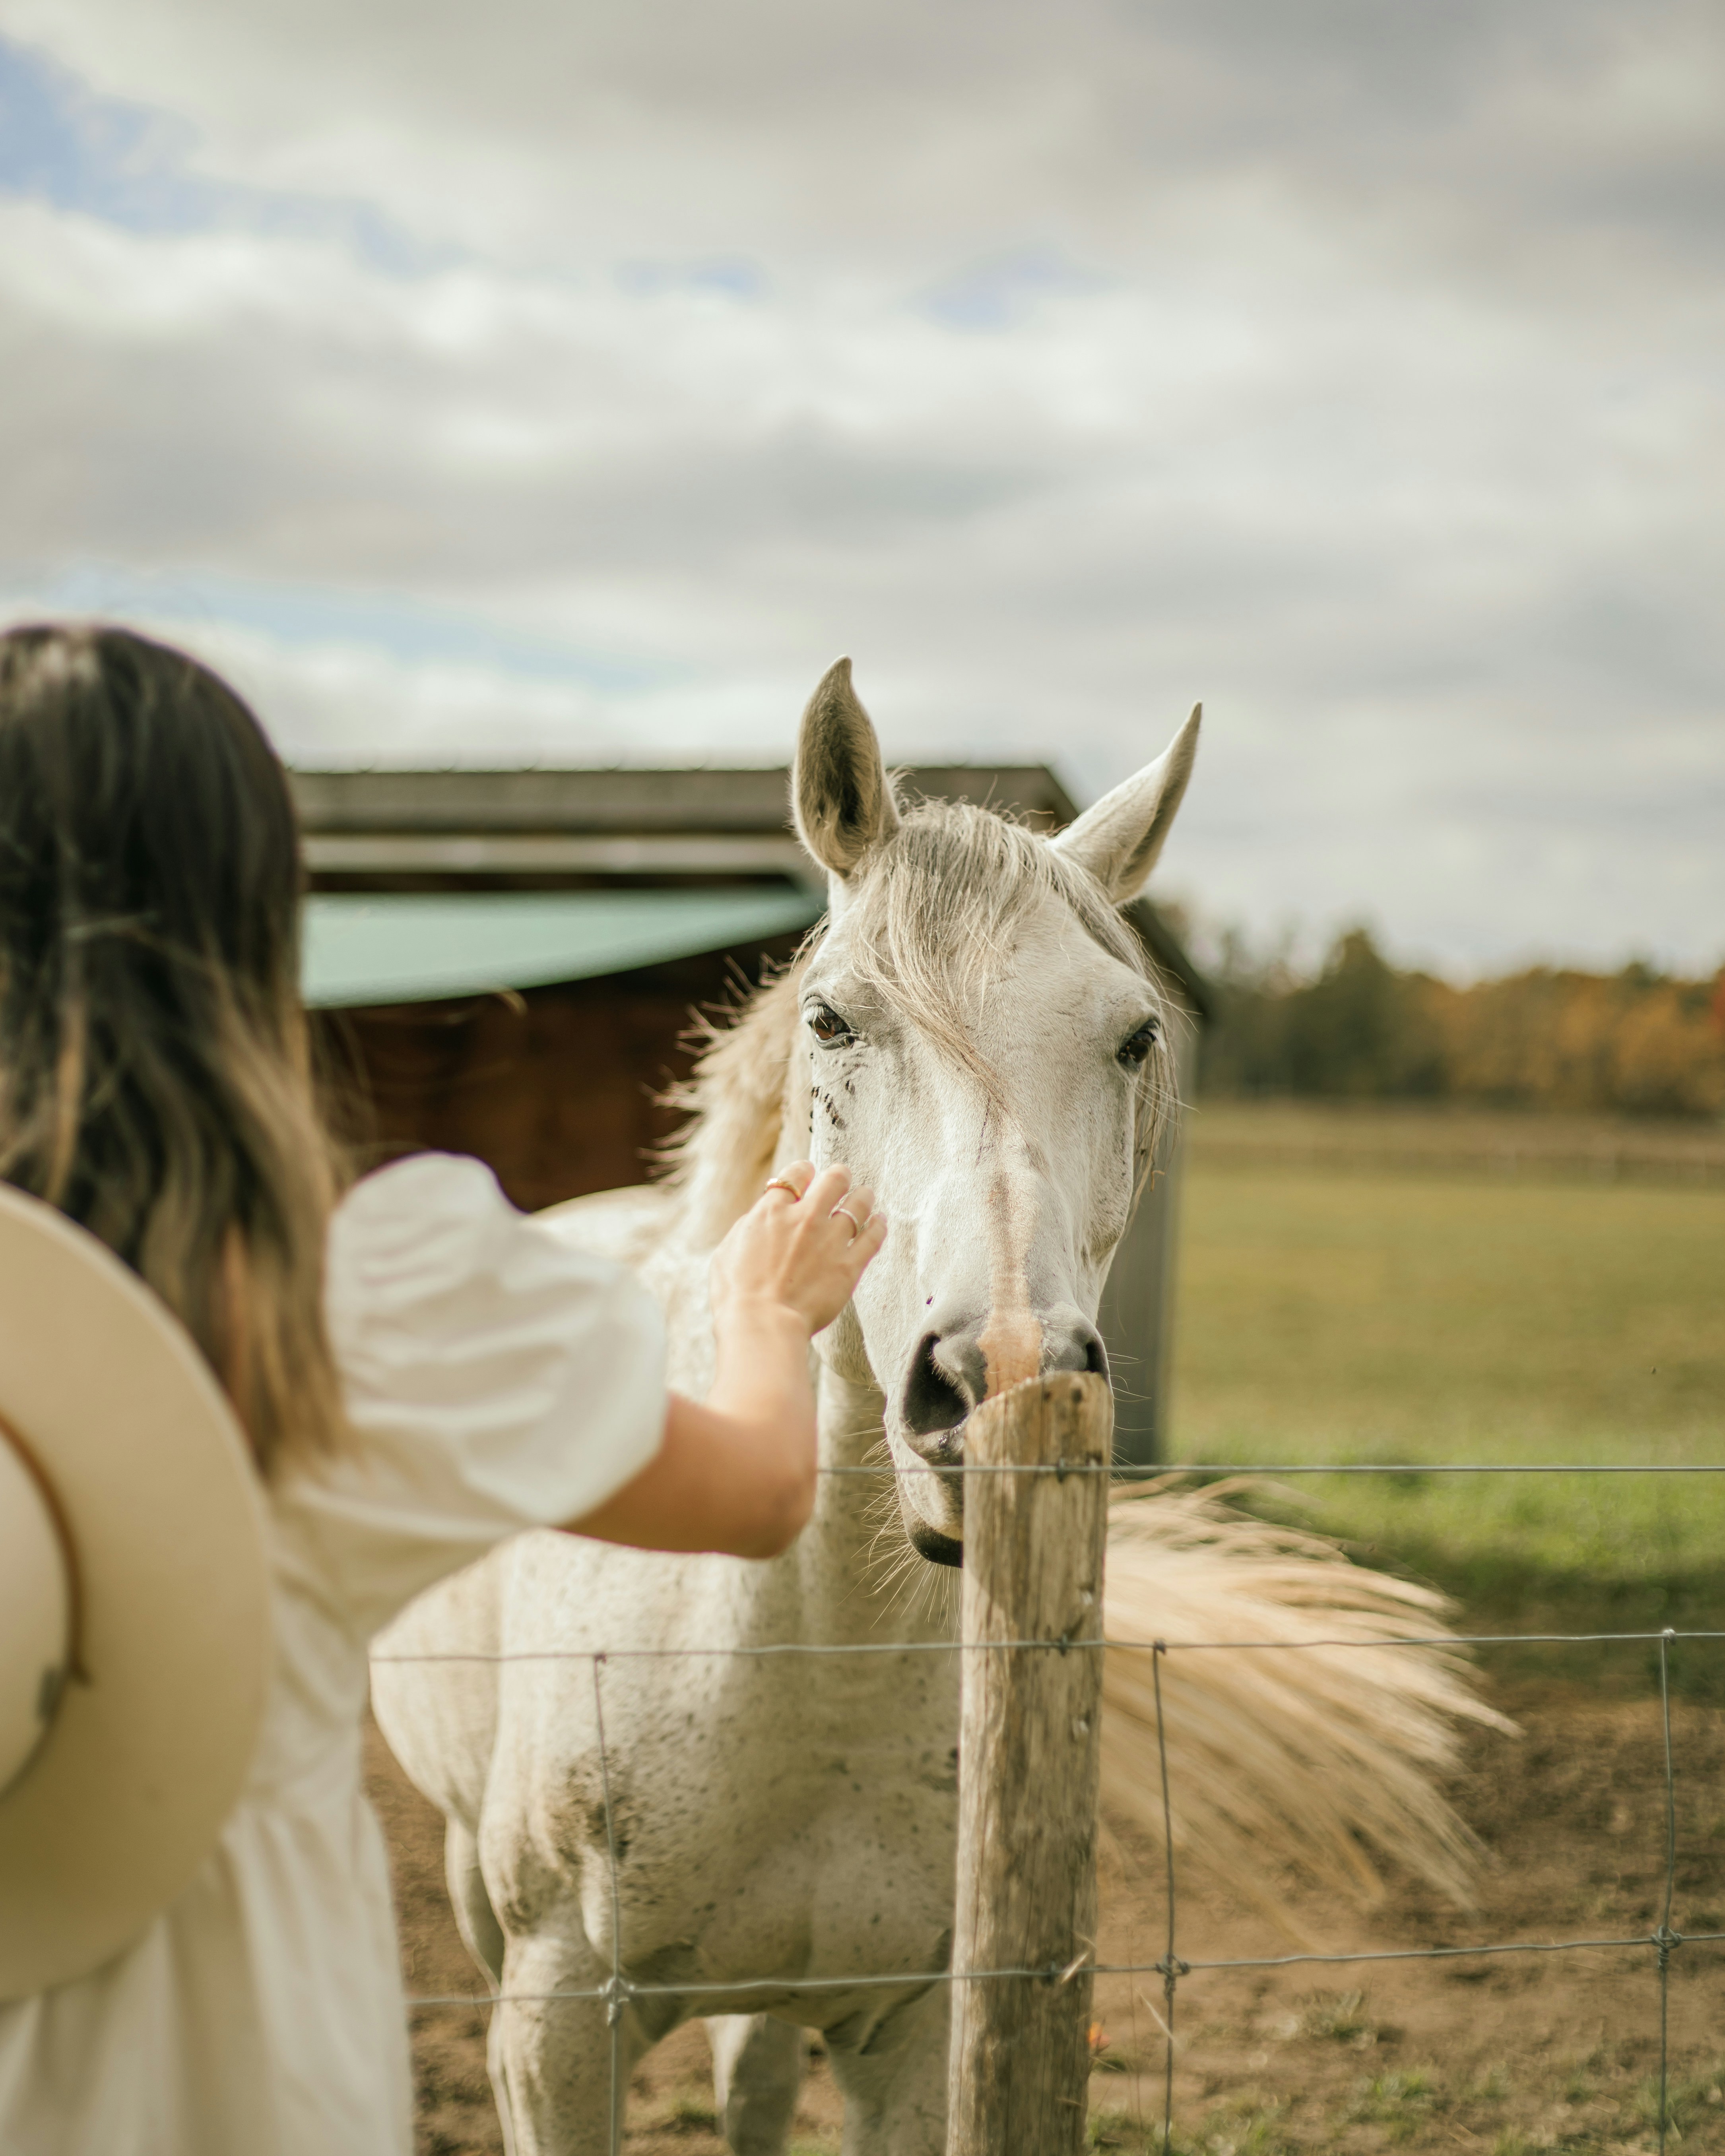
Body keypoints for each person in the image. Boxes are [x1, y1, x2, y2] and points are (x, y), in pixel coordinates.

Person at [0, 622, 884, 2156]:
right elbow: (752, 1493)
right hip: (233, 2039)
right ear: (254, 922)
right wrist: (765, 1311)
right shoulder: (370, 1296)